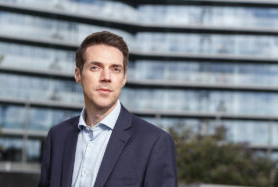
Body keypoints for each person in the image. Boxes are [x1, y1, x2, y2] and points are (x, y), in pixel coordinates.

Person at [38, 31, 178, 187]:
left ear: (124, 78)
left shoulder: (154, 142)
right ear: (78, 75)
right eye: (95, 67)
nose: (106, 76)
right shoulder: (57, 136)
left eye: (115, 69)